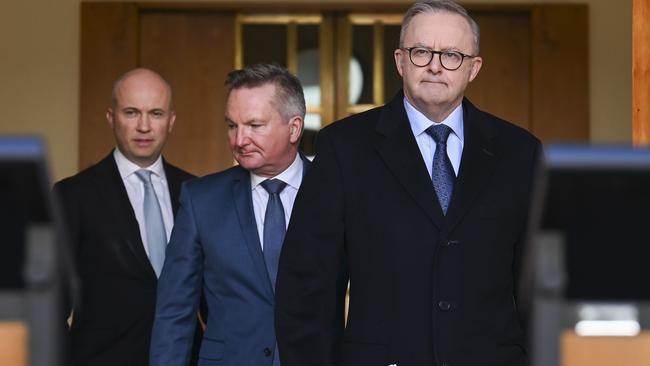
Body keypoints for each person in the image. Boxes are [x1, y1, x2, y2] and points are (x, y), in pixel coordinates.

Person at [275, 1, 542, 365]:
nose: (435, 65)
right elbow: (308, 287)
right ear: (400, 60)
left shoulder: (520, 152)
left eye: (451, 54)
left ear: (473, 68)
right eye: (421, 52)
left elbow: (539, 286)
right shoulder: (344, 147)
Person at [150, 63, 310, 366]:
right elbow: (175, 310)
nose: (239, 140)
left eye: (254, 125)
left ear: (294, 127)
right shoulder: (201, 200)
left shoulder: (334, 192)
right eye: (232, 125)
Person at [54, 68, 200, 365]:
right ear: (111, 117)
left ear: (171, 120)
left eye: (156, 113)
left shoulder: (198, 193)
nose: (144, 126)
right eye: (132, 112)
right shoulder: (73, 195)